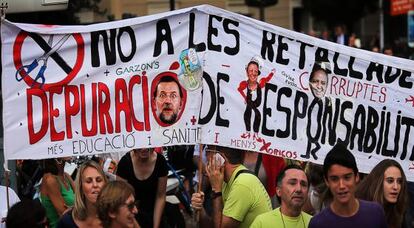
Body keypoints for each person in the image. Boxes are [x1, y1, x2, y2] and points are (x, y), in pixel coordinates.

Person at [309, 144, 387, 228]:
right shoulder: (317, 223)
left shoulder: (375, 213)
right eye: (334, 179)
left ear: (356, 177)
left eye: (347, 177)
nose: (341, 185)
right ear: (327, 181)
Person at [191, 146, 272, 228]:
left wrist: (216, 190)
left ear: (220, 158)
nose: (205, 157)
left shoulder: (242, 183)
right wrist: (200, 209)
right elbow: (213, 224)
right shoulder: (225, 180)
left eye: (208, 151)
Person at [116, 148, 168, 228]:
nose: (144, 148)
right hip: (131, 215)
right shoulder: (125, 163)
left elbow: (160, 196)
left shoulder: (160, 161)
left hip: (155, 214)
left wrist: (156, 226)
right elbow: (121, 200)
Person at [355, 159, 409, 228]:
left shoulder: (398, 210)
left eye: (399, 181)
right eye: (390, 181)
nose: (396, 187)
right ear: (378, 182)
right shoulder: (359, 208)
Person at [57, 160, 108, 227]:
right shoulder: (67, 221)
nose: (95, 185)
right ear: (81, 187)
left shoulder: (116, 218)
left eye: (99, 180)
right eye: (88, 181)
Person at [238, 57, 275, 133]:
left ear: (258, 73)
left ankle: (255, 134)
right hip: (249, 104)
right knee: (248, 112)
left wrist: (272, 73)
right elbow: (239, 89)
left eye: (255, 71)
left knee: (257, 114)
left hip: (257, 103)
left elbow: (267, 79)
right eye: (250, 71)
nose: (253, 73)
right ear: (247, 72)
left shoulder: (261, 83)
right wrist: (245, 97)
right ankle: (248, 132)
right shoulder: (244, 84)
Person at [40, 158, 75, 228]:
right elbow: (64, 214)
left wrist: (73, 208)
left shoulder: (66, 175)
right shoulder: (50, 180)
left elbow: (82, 199)